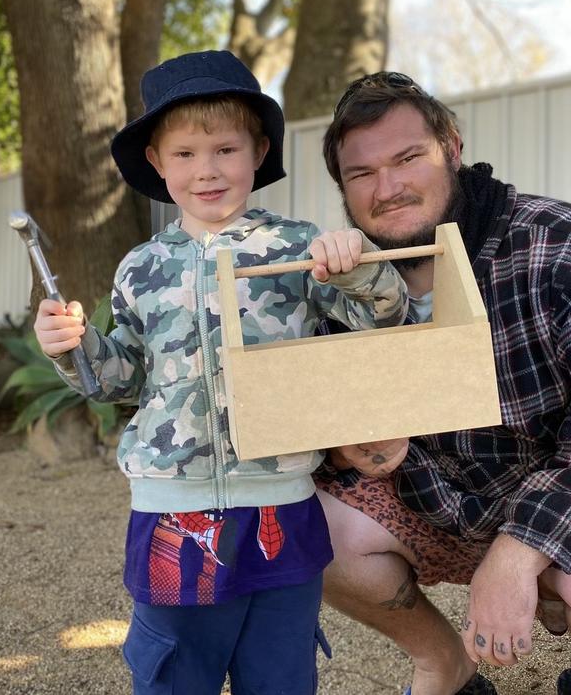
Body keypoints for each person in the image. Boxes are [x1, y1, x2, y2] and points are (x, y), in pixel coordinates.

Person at [313, 72, 571, 695]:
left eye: (408, 157)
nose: (386, 188)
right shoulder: (345, 283)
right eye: (362, 174)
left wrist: (522, 548)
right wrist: (350, 447)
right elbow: (314, 418)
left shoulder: (562, 244)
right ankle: (444, 662)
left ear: (451, 146)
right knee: (301, 526)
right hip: (439, 503)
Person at [33, 51, 408, 695]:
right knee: (178, 670)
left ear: (258, 151)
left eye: (225, 149)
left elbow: (383, 324)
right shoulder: (139, 268)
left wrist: (360, 265)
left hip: (281, 500)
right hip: (172, 508)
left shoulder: (300, 247)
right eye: (183, 154)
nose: (206, 170)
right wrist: (72, 346)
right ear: (155, 161)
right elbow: (119, 378)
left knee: (280, 672)